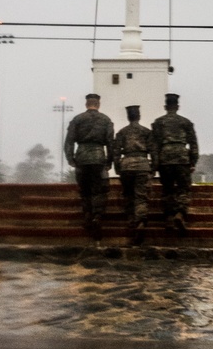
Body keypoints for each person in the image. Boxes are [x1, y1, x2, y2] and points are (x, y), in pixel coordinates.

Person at [63, 93, 114, 240]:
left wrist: (71, 159)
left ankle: (87, 215)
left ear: (87, 104)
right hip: (98, 157)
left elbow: (69, 142)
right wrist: (109, 161)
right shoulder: (105, 120)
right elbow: (110, 143)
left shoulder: (77, 119)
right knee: (99, 190)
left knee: (85, 190)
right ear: (98, 104)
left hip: (82, 157)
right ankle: (97, 216)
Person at [151, 93, 199, 234]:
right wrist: (193, 161)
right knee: (184, 189)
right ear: (177, 106)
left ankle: (169, 218)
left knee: (167, 190)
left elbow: (154, 145)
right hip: (182, 158)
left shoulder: (158, 123)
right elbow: (193, 144)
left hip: (165, 158)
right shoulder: (186, 122)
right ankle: (180, 213)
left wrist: (155, 163)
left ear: (165, 107)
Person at [112, 104, 157, 244]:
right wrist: (153, 168)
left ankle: (131, 220)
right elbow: (154, 151)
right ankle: (140, 222)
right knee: (141, 197)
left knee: (128, 195)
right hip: (143, 165)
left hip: (126, 165)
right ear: (139, 116)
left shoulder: (122, 132)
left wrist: (117, 167)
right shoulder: (146, 132)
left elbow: (116, 152)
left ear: (128, 116)